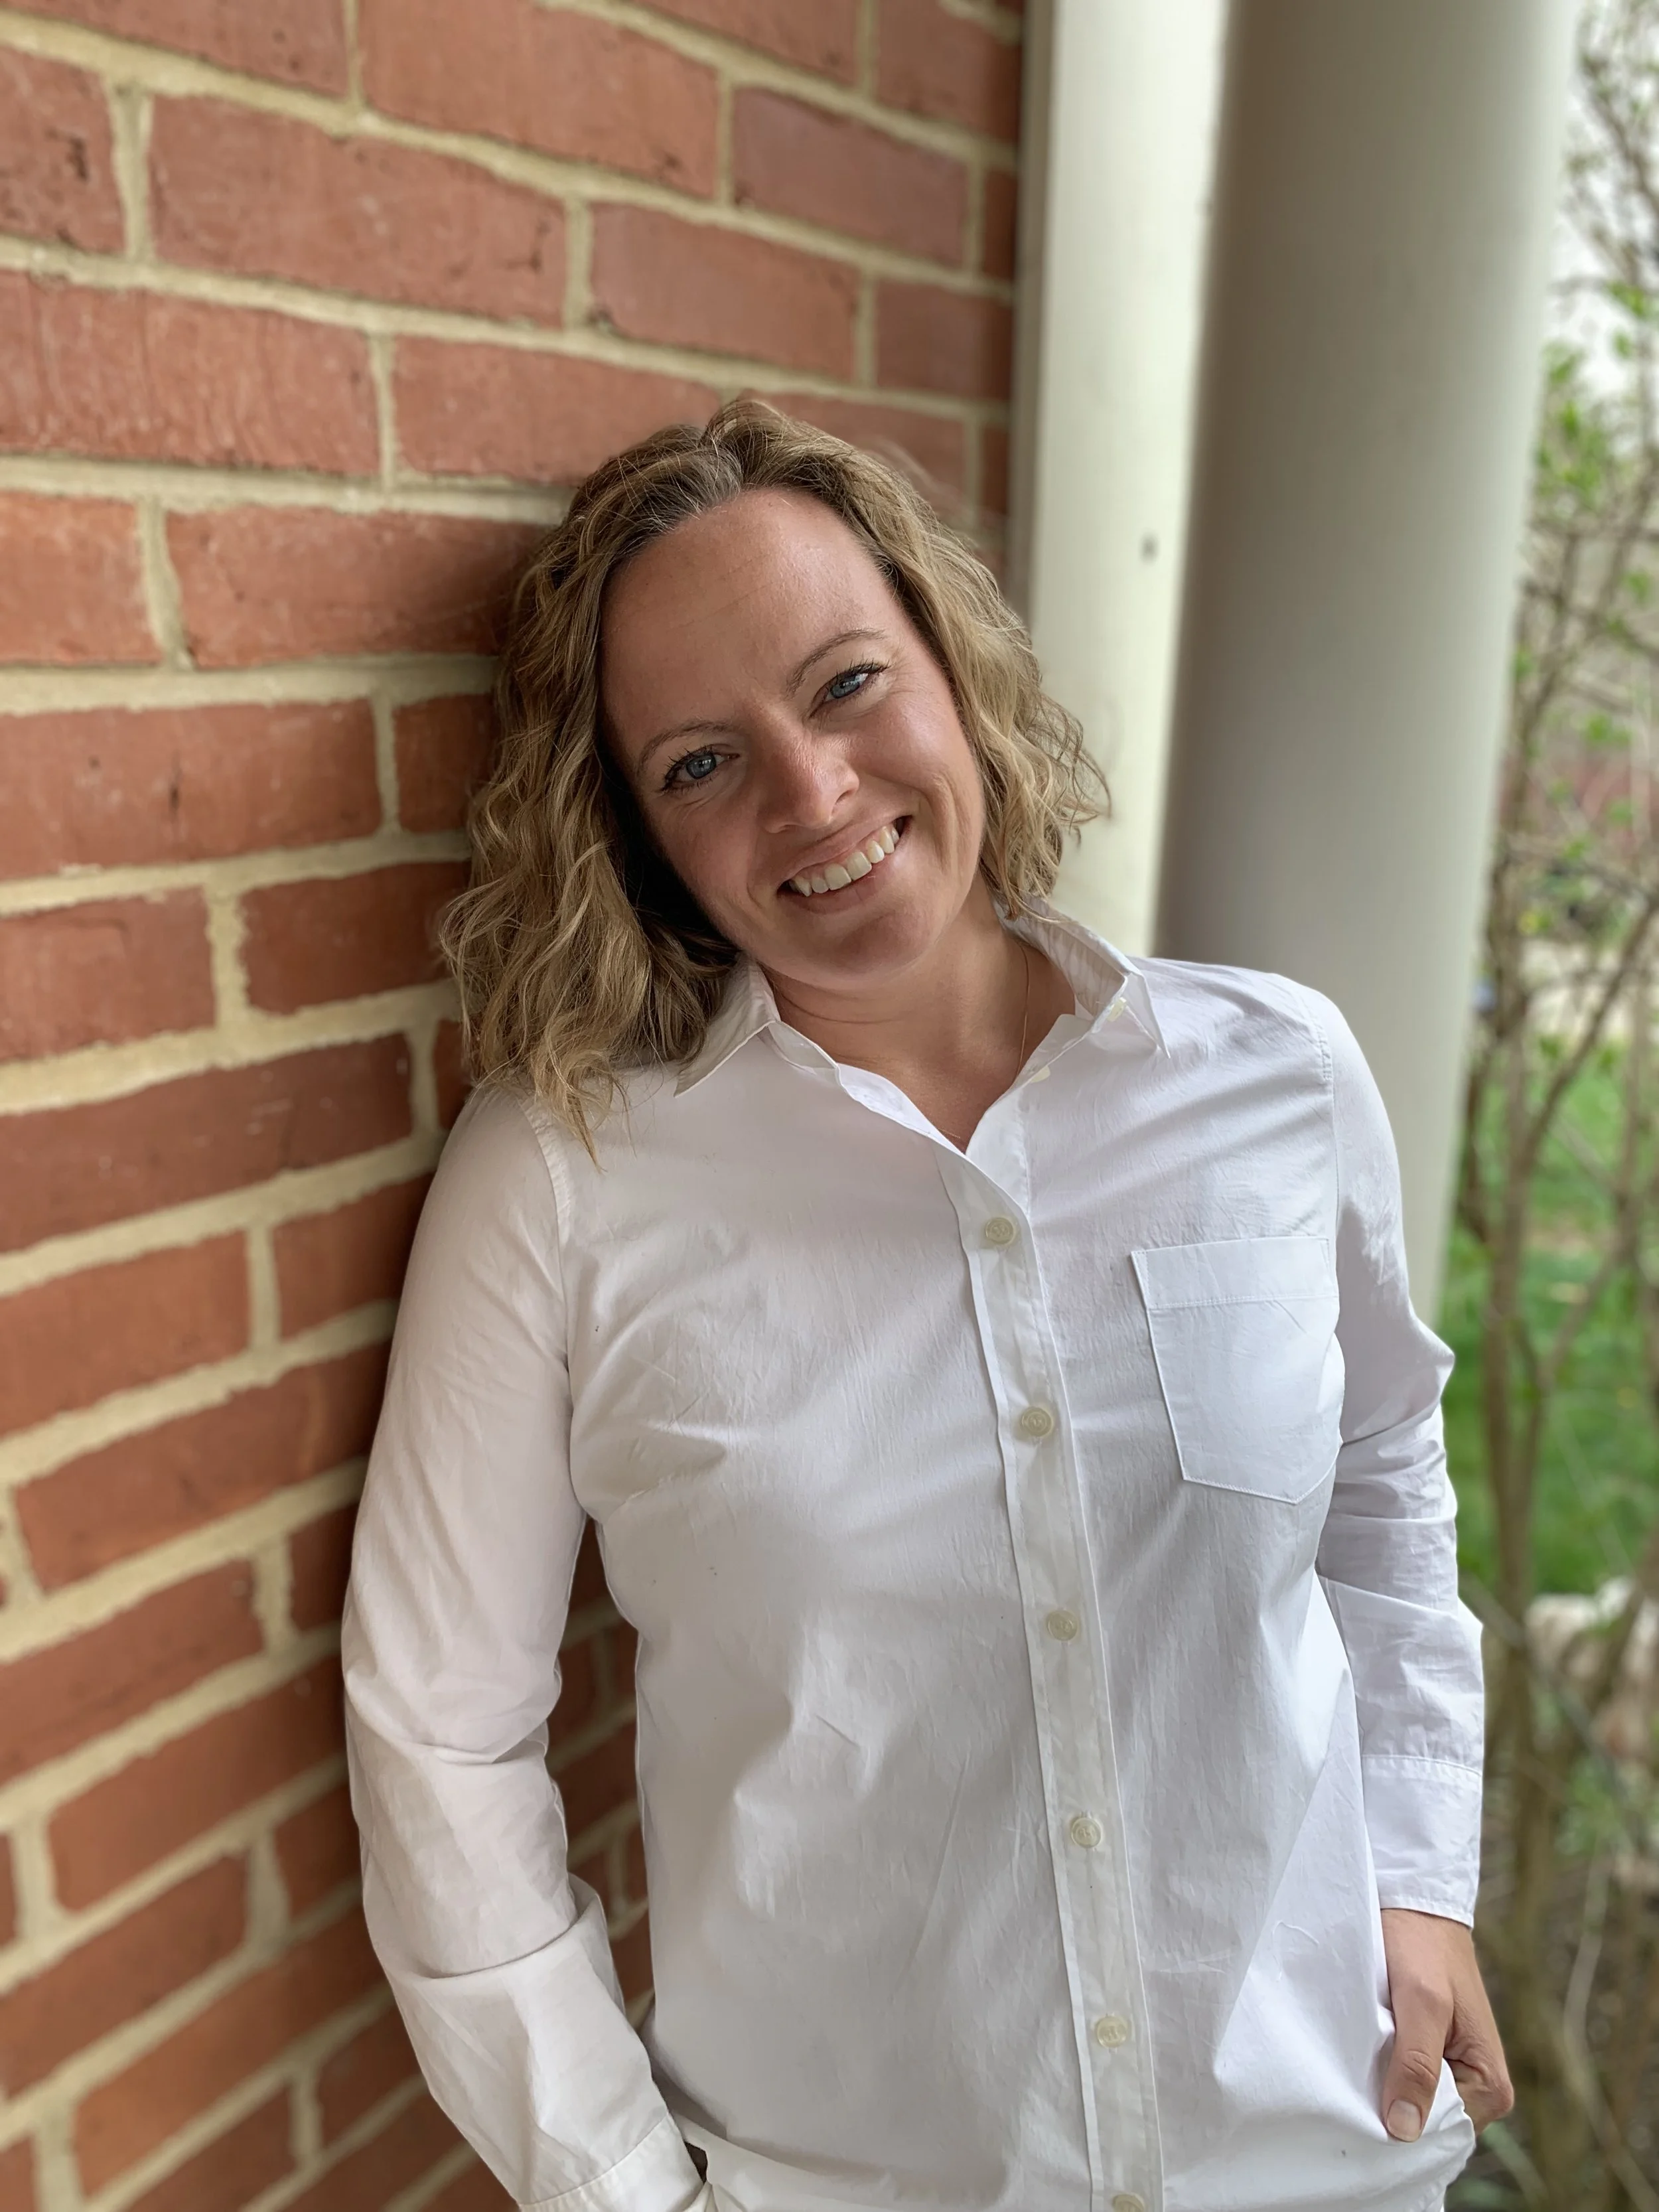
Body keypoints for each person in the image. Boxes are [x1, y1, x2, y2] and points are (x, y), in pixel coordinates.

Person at [342, 400, 1512, 2212]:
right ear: (636, 835)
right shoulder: (563, 1178)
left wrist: (1421, 1868)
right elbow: (438, 1730)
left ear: (952, 667)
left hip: (1320, 2143)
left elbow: (1375, 1477)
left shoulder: (1275, 1074)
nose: (812, 793)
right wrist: (621, 2190)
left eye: (846, 682)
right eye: (702, 763)